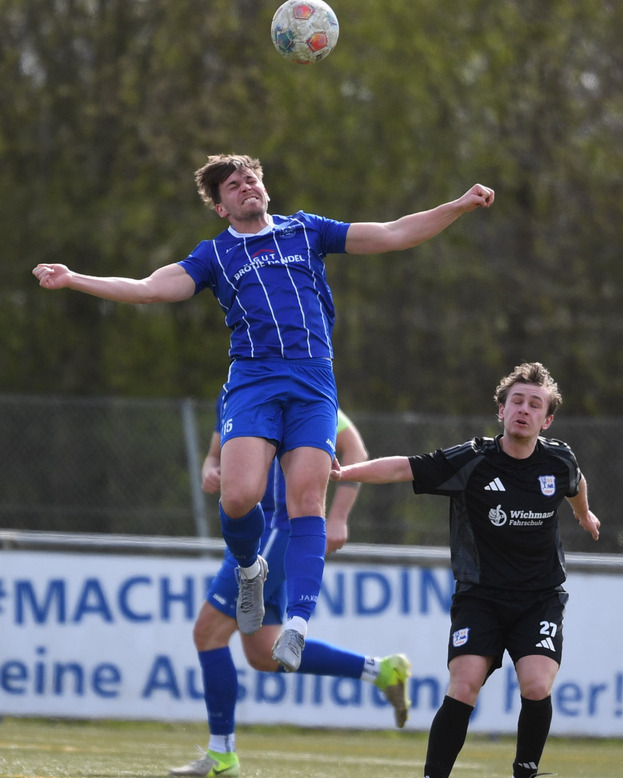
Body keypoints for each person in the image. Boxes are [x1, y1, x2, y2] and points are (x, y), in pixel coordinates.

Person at [33, 154, 494, 672]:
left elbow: (392, 233)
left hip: (314, 381)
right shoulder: (214, 255)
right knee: (238, 497)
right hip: (254, 380)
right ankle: (250, 568)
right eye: (233, 185)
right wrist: (74, 278)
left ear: (265, 188)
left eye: (251, 178)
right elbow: (148, 289)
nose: (246, 186)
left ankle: (297, 624)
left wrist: (457, 206)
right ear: (221, 206)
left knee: (307, 502)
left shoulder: (306, 230)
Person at [330, 361, 600, 778]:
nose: (524, 409)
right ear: (501, 411)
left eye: (535, 404)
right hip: (481, 597)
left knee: (537, 686)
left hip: (539, 598)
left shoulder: (559, 460)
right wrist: (344, 472)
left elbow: (575, 484)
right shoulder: (472, 460)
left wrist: (584, 513)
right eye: (516, 401)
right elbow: (403, 467)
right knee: (464, 685)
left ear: (547, 420)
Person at [170, 398, 411, 778]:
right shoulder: (234, 390)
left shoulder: (294, 387)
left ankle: (221, 753)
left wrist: (338, 517)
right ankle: (381, 671)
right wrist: (210, 470)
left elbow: (354, 448)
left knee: (208, 632)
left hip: (278, 531)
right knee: (264, 653)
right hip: (249, 532)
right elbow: (215, 455)